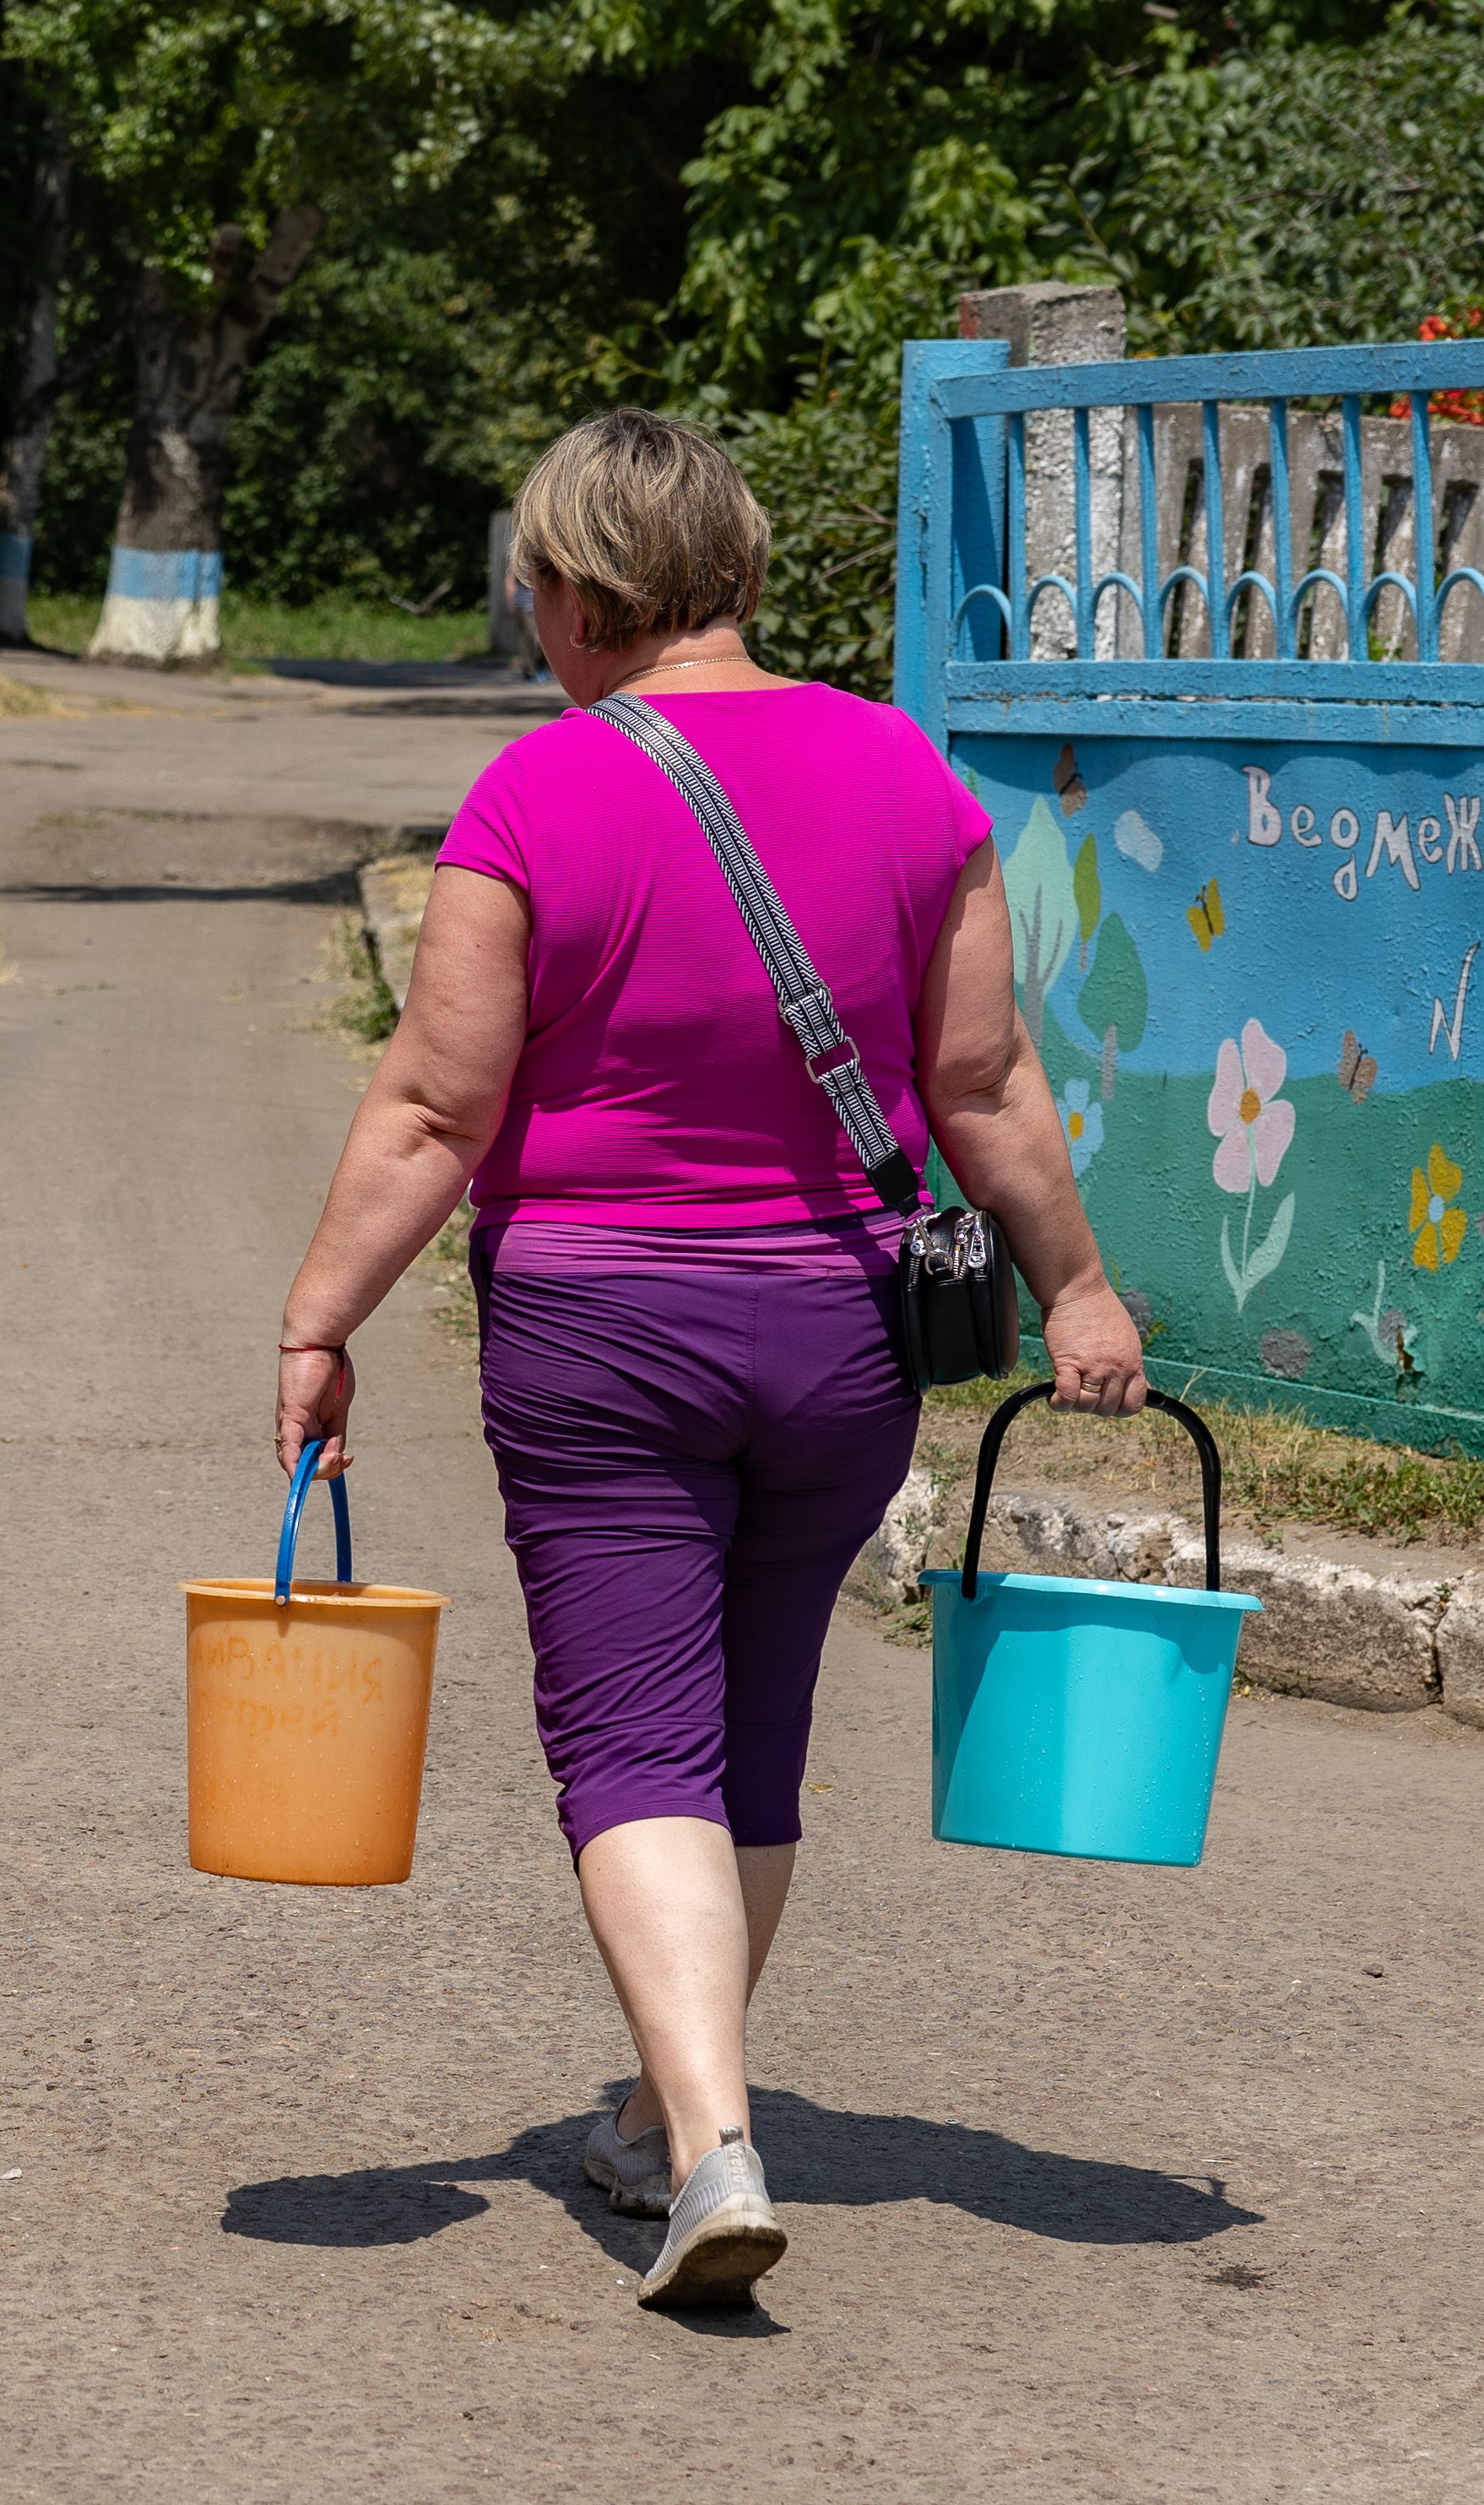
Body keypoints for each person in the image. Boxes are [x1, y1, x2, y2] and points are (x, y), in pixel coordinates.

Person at [268, 409, 1148, 2313]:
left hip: (601, 1330)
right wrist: (1076, 1287)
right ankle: (677, 2114)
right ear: (738, 569)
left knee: (627, 1739)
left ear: (577, 590)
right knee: (750, 1728)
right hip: (838, 1328)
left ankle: (712, 2147)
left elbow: (434, 1104)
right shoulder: (911, 780)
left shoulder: (533, 799)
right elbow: (980, 1080)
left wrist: (319, 1317)